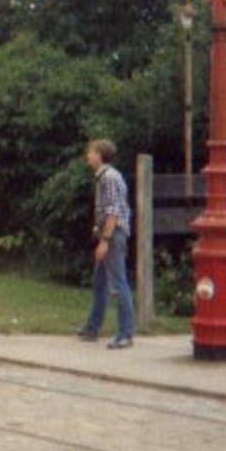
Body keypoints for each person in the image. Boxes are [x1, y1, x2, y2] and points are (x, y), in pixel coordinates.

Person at [76, 139, 136, 349]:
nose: (88, 156)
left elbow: (113, 211)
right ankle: (93, 327)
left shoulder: (109, 177)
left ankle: (126, 333)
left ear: (100, 154)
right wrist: (97, 227)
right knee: (99, 281)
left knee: (118, 283)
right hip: (109, 231)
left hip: (113, 234)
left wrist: (105, 240)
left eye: (90, 152)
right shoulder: (106, 177)